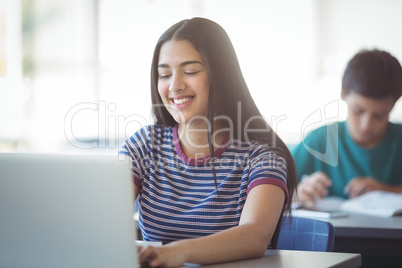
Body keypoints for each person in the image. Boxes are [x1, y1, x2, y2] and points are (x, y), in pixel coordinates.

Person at [119, 17, 297, 267]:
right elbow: (104, 220)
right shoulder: (143, 145)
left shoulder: (263, 155)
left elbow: (255, 235)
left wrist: (178, 252)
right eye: (165, 74)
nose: (175, 85)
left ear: (221, 74)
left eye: (190, 71)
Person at [292, 49, 402, 204]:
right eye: (357, 111)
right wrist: (296, 195)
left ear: (393, 106)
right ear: (343, 94)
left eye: (379, 115)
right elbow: (267, 185)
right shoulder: (319, 141)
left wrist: (386, 191)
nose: (366, 125)